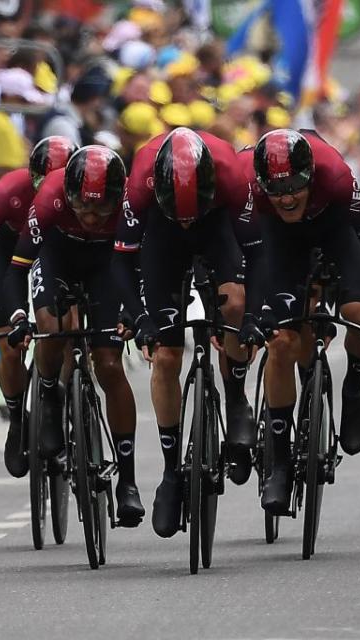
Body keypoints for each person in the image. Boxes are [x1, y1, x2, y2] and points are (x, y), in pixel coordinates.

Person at [112, 127, 253, 538]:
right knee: (167, 353)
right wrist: (141, 320)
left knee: (237, 304)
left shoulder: (231, 172)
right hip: (163, 235)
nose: (187, 216)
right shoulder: (140, 182)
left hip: (218, 228)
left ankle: (236, 398)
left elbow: (260, 252)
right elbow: (120, 263)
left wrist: (251, 318)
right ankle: (172, 473)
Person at [245, 129, 360, 514]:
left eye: (295, 185)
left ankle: (354, 387)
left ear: (311, 175)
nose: (288, 196)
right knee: (280, 341)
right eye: (277, 189)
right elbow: (251, 255)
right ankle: (279, 463)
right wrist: (256, 312)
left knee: (357, 315)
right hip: (280, 242)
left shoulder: (337, 177)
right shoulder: (251, 187)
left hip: (335, 234)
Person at [4, 146, 144, 526]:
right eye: (82, 206)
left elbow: (141, 267)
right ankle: (50, 395)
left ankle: (128, 481)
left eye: (102, 209)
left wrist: (136, 312)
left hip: (106, 268)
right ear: (68, 194)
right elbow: (16, 270)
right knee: (51, 328)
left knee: (110, 366)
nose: (92, 217)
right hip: (57, 259)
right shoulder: (50, 197)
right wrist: (18, 317)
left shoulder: (131, 204)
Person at [0, 135, 76, 478]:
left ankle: (59, 395)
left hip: (52, 247)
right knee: (10, 348)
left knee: (65, 327)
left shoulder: (77, 195)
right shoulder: (4, 195)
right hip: (7, 250)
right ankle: (17, 418)